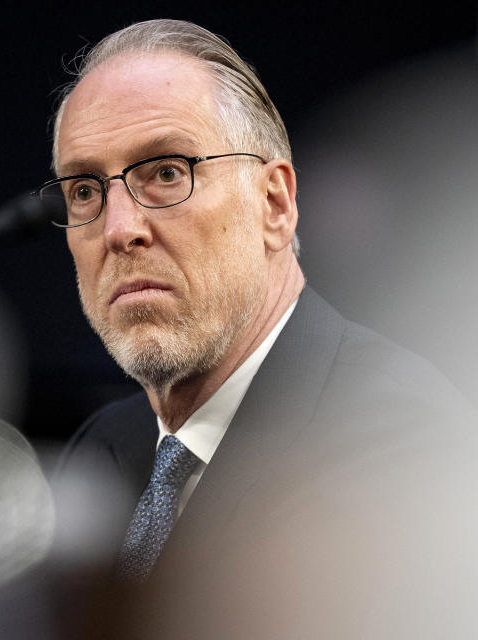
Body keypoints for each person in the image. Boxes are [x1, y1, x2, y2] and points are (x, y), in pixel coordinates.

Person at [42, 19, 477, 638]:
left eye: (166, 173)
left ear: (273, 205)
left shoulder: (401, 447)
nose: (117, 229)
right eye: (85, 189)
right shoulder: (104, 445)